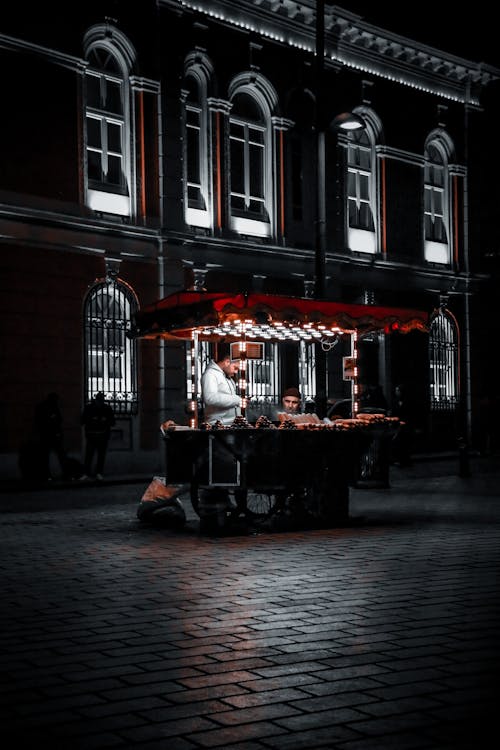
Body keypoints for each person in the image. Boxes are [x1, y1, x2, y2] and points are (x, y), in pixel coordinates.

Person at [201, 345, 245, 425]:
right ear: (227, 362)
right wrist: (237, 400)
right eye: (235, 368)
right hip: (217, 425)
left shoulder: (228, 378)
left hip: (228, 425)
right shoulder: (210, 374)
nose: (236, 372)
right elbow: (210, 398)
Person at [80, 392, 115, 480]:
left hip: (100, 435)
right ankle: (88, 473)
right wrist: (95, 420)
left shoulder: (106, 408)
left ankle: (97, 473)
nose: (100, 403)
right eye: (100, 401)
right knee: (90, 455)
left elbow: (112, 422)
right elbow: (83, 420)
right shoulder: (90, 408)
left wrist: (103, 421)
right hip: (93, 435)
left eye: (101, 401)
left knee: (99, 456)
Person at [34, 392, 66, 481]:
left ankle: (47, 475)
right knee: (55, 455)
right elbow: (58, 420)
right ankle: (48, 474)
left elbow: (58, 420)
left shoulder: (47, 406)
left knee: (47, 456)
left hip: (48, 435)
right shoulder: (49, 407)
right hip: (49, 435)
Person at [390, 383, 414, 466]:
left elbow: (409, 413)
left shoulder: (407, 400)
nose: (396, 392)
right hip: (397, 424)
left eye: (398, 390)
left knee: (404, 443)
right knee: (398, 442)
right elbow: (394, 411)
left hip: (405, 425)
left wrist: (404, 421)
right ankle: (400, 459)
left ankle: (405, 459)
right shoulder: (395, 401)